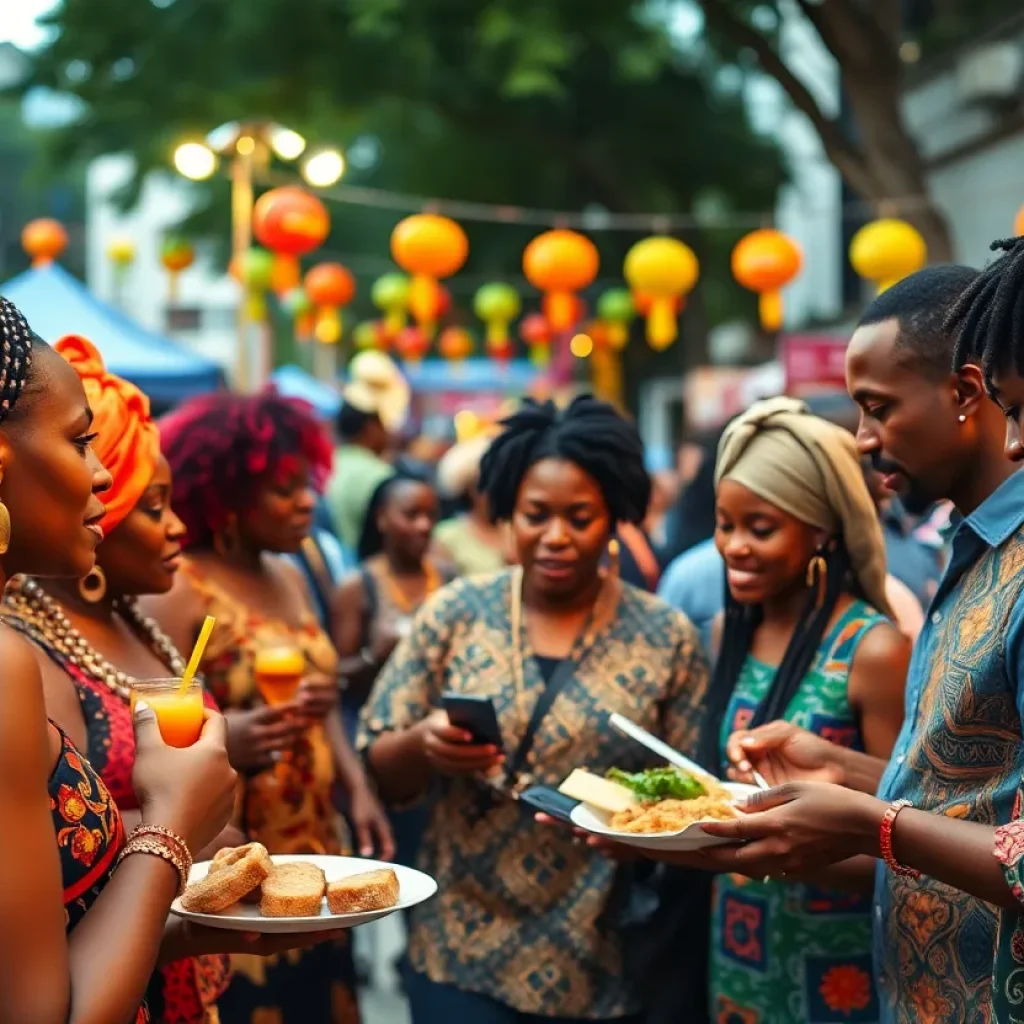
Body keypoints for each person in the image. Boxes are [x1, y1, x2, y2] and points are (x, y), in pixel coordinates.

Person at [647, 263, 1024, 1024]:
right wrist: (847, 771)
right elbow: (976, 792)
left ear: (965, 393)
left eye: (877, 407)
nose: (864, 438)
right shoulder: (977, 552)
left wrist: (867, 821)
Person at [0, 297, 332, 1024]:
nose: (97, 478)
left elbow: (61, 947)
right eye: (78, 441)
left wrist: (187, 929)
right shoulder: (9, 661)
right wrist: (171, 825)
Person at [359, 396, 709, 1024]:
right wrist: (424, 744)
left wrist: (639, 832)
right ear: (505, 517)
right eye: (534, 515)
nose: (555, 537)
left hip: (602, 954)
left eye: (580, 517)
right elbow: (380, 763)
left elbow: (694, 797)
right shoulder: (456, 611)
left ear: (614, 520)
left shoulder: (666, 635)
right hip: (460, 945)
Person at [145, 391, 393, 1024]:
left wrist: (358, 785)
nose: (307, 500)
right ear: (228, 498)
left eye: (307, 484)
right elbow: (147, 720)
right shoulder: (182, 588)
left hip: (312, 840)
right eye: (284, 490)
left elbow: (324, 700)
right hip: (239, 855)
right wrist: (228, 738)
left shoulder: (289, 573)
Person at [695, 397, 911, 1023]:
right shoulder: (726, 633)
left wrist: (779, 846)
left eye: (760, 528)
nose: (734, 546)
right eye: (724, 523)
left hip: (835, 962)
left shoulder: (872, 650)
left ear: (821, 530)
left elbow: (909, 839)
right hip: (739, 947)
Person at [332, 470, 445, 747]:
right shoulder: (359, 586)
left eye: (431, 515)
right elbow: (335, 674)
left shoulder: (447, 577)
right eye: (411, 515)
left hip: (439, 730)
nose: (424, 525)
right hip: (377, 733)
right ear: (382, 518)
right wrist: (373, 656)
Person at [325, 352, 410, 551]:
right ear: (371, 427)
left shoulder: (329, 463)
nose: (391, 433)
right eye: (385, 425)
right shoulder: (379, 475)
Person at [433, 434, 510, 576]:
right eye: (483, 485)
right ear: (468, 490)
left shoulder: (516, 529)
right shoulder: (447, 536)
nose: (493, 491)